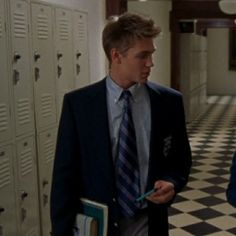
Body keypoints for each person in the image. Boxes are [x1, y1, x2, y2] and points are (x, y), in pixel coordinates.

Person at [50, 12, 192, 236]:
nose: (151, 63)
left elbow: (180, 160)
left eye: (152, 55)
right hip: (99, 225)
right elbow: (64, 177)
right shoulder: (79, 105)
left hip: (149, 222)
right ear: (116, 56)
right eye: (142, 56)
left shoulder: (169, 102)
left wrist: (171, 182)